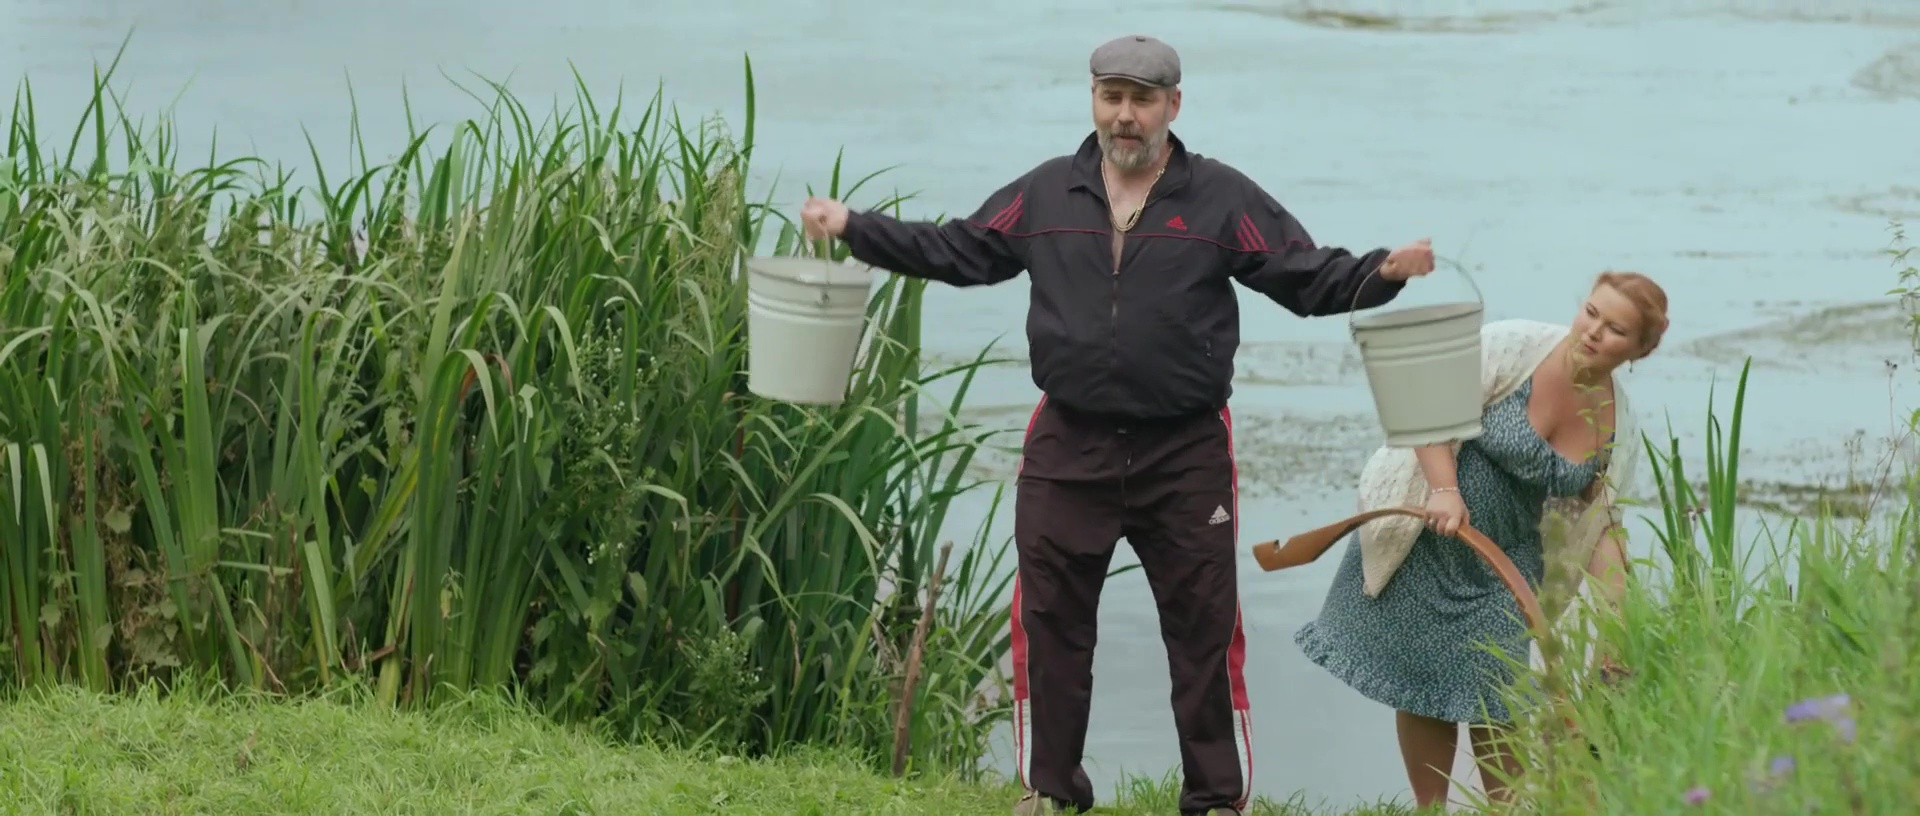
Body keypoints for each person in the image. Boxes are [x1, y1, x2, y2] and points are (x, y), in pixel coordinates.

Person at [799, 34, 1437, 816]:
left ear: (1174, 105)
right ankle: (1051, 792)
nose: (1125, 115)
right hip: (1069, 445)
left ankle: (1216, 799)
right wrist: (853, 226)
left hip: (1186, 451)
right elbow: (957, 250)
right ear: (1094, 100)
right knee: (1050, 625)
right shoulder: (1045, 194)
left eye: (1142, 99)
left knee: (1204, 632)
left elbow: (1303, 274)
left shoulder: (1221, 199)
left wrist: (1382, 272)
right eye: (1112, 97)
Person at [1292, 271, 1668, 809]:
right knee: (1424, 687)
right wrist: (1445, 489)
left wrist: (1617, 623)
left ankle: (1505, 809)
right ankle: (1430, 809)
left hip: (1509, 559)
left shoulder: (1616, 422)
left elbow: (1602, 523)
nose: (1592, 331)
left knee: (1501, 697)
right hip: (1431, 534)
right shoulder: (1516, 347)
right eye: (1591, 312)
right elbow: (1428, 406)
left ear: (1639, 350)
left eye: (1615, 330)